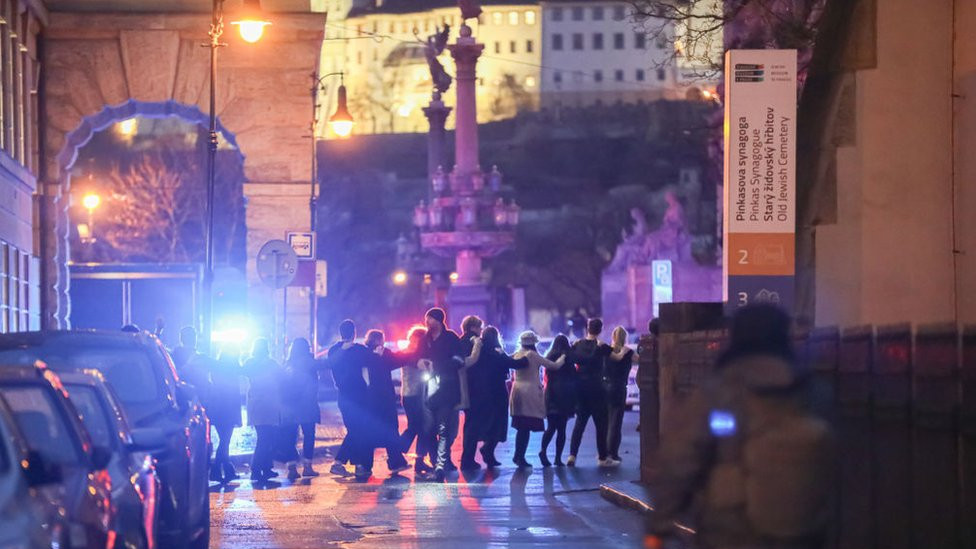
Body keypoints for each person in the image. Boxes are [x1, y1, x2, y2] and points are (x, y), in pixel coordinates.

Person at [646, 305, 835, 549]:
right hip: (802, 529)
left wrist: (659, 524)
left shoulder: (720, 391)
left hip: (731, 531)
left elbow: (680, 460)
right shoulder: (814, 391)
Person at [422, 307, 481, 482]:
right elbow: (417, 355)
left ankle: (441, 465)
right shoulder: (425, 339)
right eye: (426, 319)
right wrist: (418, 361)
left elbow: (459, 359)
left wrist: (439, 366)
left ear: (439, 320)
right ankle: (438, 462)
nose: (427, 322)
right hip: (430, 389)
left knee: (446, 429)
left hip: (448, 389)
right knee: (431, 429)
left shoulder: (451, 338)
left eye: (430, 319)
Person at [461, 326, 528, 470]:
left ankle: (481, 455)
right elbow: (511, 364)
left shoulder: (479, 349)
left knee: (479, 425)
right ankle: (488, 451)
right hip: (496, 392)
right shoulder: (496, 351)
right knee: (498, 423)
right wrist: (525, 359)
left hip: (478, 392)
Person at [325, 320, 374, 481]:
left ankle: (358, 465)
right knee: (357, 430)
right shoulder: (360, 350)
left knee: (355, 430)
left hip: (343, 396)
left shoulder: (333, 350)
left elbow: (331, 365)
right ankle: (341, 463)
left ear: (340, 332)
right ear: (354, 332)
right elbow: (371, 364)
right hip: (359, 395)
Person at [510, 331, 565, 468]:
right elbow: (553, 366)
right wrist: (563, 357)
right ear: (534, 343)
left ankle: (518, 455)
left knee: (520, 426)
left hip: (516, 390)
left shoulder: (517, 354)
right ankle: (520, 457)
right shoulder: (533, 355)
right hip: (530, 392)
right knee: (526, 427)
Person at [363, 329, 410, 475]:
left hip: (370, 399)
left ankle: (365, 466)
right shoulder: (383, 354)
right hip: (384, 397)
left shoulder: (364, 354)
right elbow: (398, 360)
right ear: (378, 340)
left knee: (371, 432)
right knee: (390, 428)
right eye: (382, 339)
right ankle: (396, 462)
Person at [567, 318, 613, 467]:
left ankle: (572, 455)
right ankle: (602, 457)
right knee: (601, 424)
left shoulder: (576, 345)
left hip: (580, 388)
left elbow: (570, 358)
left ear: (587, 328)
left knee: (580, 423)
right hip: (597, 388)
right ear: (600, 330)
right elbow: (616, 357)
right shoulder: (601, 346)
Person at [280, 338, 322, 480]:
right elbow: (325, 364)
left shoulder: (287, 364)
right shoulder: (309, 362)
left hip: (290, 407)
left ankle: (291, 468)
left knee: (290, 437)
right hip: (307, 405)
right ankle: (307, 467)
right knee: (309, 436)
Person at [243, 338, 282, 482]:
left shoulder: (250, 363)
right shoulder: (271, 364)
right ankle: (257, 469)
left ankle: (265, 468)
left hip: (256, 404)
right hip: (268, 404)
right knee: (266, 438)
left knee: (264, 437)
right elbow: (281, 376)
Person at [398, 327, 436, 473]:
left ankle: (419, 461)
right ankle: (397, 448)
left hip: (414, 395)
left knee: (420, 428)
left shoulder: (413, 352)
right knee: (416, 427)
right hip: (411, 395)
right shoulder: (410, 353)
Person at [208, 342, 243, 483]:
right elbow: (234, 396)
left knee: (224, 441)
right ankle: (216, 470)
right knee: (225, 441)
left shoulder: (216, 367)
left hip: (217, 409)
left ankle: (227, 470)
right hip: (228, 410)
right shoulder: (233, 370)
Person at [539, 334, 575, 467]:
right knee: (562, 429)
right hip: (564, 396)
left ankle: (543, 450)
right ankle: (558, 458)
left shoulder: (549, 356)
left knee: (551, 427)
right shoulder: (568, 359)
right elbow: (573, 376)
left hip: (551, 394)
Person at [605, 326, 635, 464]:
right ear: (625, 338)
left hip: (606, 387)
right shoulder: (628, 352)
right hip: (619, 387)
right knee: (616, 422)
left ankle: (604, 451)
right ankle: (613, 453)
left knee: (606, 421)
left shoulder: (607, 352)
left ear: (613, 337)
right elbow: (643, 360)